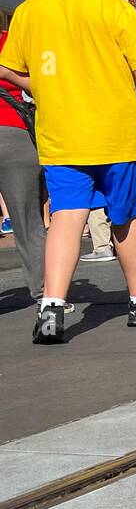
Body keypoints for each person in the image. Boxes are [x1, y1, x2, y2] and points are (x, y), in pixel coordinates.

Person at [0, 0, 136, 343]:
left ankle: (51, 307)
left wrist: (42, 87)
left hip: (61, 137)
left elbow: (8, 67)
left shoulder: (30, 11)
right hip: (115, 134)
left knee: (65, 217)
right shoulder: (114, 9)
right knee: (125, 218)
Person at [0, 24, 45, 304]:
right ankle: (46, 295)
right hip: (12, 134)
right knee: (28, 223)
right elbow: (39, 83)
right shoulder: (10, 40)